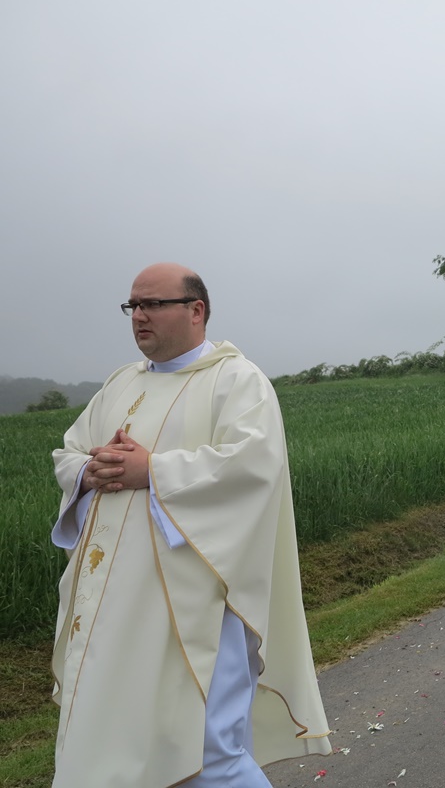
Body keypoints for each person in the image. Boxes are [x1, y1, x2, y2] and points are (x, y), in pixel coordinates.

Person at [50, 264, 331, 788]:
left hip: (195, 601)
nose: (139, 316)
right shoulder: (120, 384)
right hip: (110, 602)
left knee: (205, 753)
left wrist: (151, 470)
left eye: (153, 304)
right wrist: (88, 470)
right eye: (133, 305)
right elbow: (68, 451)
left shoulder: (236, 380)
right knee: (113, 742)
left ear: (196, 310)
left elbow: (251, 466)